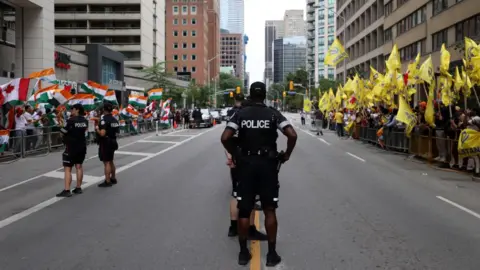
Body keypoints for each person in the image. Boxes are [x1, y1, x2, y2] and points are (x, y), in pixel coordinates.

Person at [221, 81, 297, 266]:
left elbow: (225, 138)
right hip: (268, 166)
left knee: (244, 209)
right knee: (269, 209)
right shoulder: (273, 114)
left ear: (250, 94)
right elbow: (292, 134)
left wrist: (237, 154)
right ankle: (271, 254)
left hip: (246, 165)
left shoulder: (240, 114)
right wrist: (286, 154)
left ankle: (243, 253)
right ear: (264, 95)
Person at [225, 93, 267, 241]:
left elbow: (226, 138)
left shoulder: (233, 116)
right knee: (252, 196)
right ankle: (249, 228)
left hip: (235, 159)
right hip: (247, 161)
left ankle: (232, 227)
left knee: (236, 194)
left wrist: (230, 156)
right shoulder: (247, 117)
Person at [56, 104, 88, 197]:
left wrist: (60, 128)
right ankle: (78, 188)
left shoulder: (71, 120)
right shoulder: (85, 120)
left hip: (71, 146)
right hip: (82, 146)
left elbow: (64, 131)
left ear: (77, 110)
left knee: (67, 168)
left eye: (72, 109)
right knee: (79, 166)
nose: (71, 111)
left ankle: (67, 190)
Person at [96, 102, 120, 187]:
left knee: (106, 162)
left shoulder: (104, 120)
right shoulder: (115, 119)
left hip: (106, 142)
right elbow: (117, 132)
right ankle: (113, 178)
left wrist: (97, 129)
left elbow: (102, 133)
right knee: (111, 160)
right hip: (113, 141)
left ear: (104, 109)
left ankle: (107, 180)